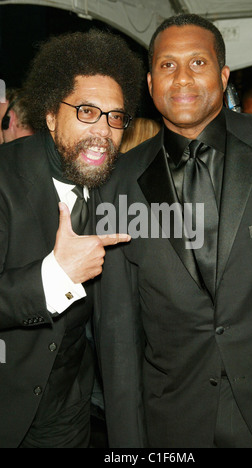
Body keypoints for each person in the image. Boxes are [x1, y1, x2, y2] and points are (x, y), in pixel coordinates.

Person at [96, 14, 252, 448]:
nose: (182, 78)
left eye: (198, 63)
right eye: (168, 65)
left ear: (224, 76)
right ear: (150, 84)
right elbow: (117, 330)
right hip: (172, 423)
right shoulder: (117, 183)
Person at [0, 29, 143, 448]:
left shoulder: (115, 186)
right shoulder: (5, 177)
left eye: (115, 117)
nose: (103, 131)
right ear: (49, 116)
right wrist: (55, 276)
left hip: (68, 410)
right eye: (86, 111)